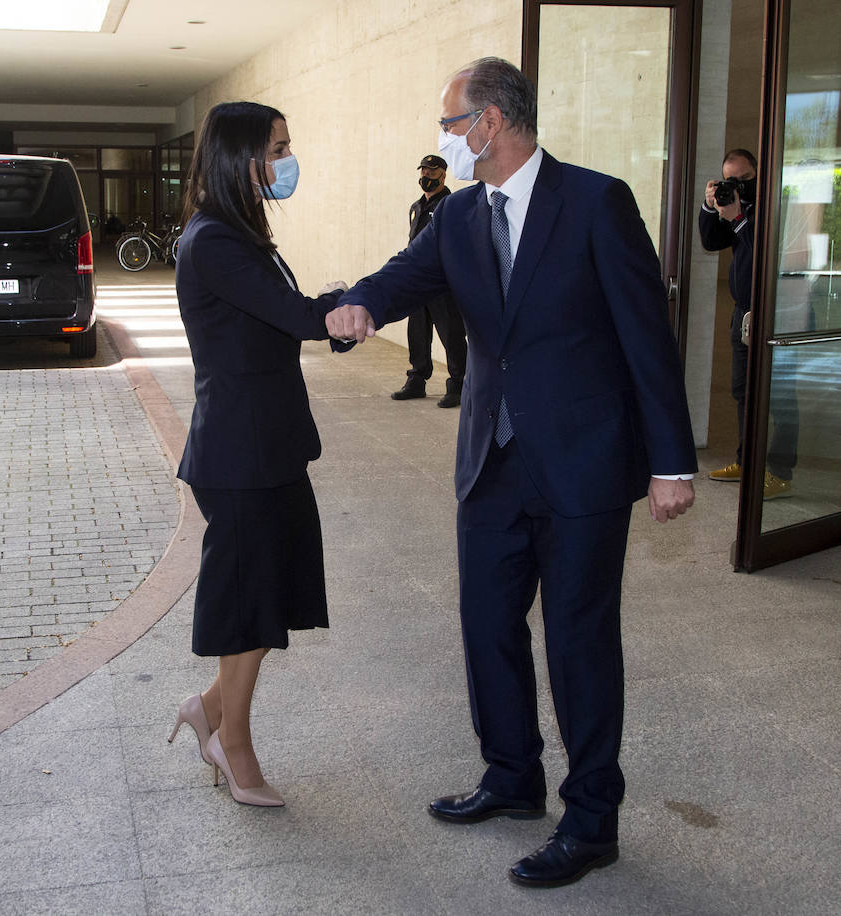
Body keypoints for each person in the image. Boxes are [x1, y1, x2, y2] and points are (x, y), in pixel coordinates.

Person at [326, 58, 697, 888]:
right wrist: (357, 302)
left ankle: (592, 818)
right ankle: (511, 778)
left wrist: (672, 461)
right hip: (490, 465)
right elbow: (401, 276)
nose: (447, 140)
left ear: (492, 122)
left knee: (578, 643)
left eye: (452, 124)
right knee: (487, 628)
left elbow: (648, 339)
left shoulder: (597, 201)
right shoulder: (459, 218)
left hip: (582, 470)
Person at [165, 101, 347, 808]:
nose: (287, 159)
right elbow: (298, 316)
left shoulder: (240, 232)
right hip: (238, 455)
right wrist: (368, 300)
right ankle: (230, 744)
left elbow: (284, 315)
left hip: (269, 446)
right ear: (241, 156)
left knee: (268, 602)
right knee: (248, 611)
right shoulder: (213, 240)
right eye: (278, 147)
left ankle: (208, 709)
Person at [698, 149, 796, 499]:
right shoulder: (740, 209)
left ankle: (780, 473)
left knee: (781, 397)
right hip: (743, 313)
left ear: (759, 174)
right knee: (743, 391)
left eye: (744, 179)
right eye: (729, 181)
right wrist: (711, 208)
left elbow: (765, 255)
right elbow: (711, 242)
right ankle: (746, 461)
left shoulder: (774, 205)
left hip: (779, 309)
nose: (737, 186)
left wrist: (738, 217)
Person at [391, 154, 468, 408]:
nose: (426, 176)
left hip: (441, 282)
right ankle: (417, 379)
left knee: (451, 333)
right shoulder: (416, 207)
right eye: (423, 171)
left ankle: (458, 383)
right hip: (416, 282)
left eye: (432, 172)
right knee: (417, 332)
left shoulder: (452, 205)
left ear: (443, 175)